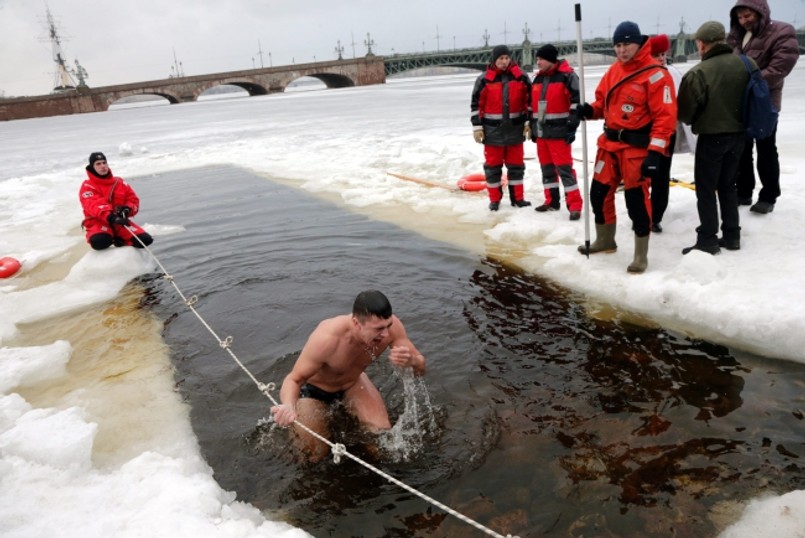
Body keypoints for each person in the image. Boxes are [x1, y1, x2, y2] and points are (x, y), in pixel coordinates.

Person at [270, 290, 426, 462]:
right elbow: (294, 379)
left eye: (388, 326)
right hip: (314, 391)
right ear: (356, 323)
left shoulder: (392, 327)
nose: (386, 334)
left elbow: (420, 370)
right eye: (379, 329)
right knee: (314, 455)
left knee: (382, 439)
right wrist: (289, 406)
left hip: (353, 383)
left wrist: (411, 361)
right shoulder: (327, 338)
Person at [577, 21, 677, 274]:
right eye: (618, 45)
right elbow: (603, 104)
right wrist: (589, 111)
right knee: (598, 194)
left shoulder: (656, 75)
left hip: (636, 149)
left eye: (627, 44)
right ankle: (606, 239)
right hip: (609, 145)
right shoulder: (613, 71)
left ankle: (640, 255)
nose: (622, 50)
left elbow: (665, 118)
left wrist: (655, 153)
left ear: (639, 43)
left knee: (636, 202)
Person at [677, 22, 751, 255]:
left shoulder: (699, 72)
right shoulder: (747, 64)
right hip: (740, 136)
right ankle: (732, 236)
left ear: (701, 43)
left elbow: (685, 113)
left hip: (712, 138)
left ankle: (707, 238)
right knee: (728, 185)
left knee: (706, 189)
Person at [727, 0, 799, 214]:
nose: (744, 21)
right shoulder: (736, 35)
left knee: (766, 148)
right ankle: (744, 190)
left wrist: (747, 83)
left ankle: (768, 195)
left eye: (748, 15)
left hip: (764, 102)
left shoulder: (782, 31)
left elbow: (780, 67)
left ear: (760, 12)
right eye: (740, 17)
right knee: (742, 148)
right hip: (740, 101)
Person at [471, 44, 532, 211]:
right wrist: (477, 127)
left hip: (515, 130)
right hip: (492, 132)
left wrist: (528, 123)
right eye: (500, 59)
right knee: (492, 168)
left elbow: (529, 102)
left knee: (516, 166)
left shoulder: (521, 77)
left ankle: (517, 199)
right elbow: (476, 105)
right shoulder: (484, 79)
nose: (504, 62)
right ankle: (494, 200)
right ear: (494, 60)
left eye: (506, 58)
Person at [647, 34, 697, 233]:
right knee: (642, 177)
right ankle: (643, 214)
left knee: (660, 176)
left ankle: (655, 216)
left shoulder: (673, 73)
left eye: (662, 54)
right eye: (656, 55)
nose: (661, 58)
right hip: (645, 134)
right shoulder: (644, 74)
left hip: (666, 134)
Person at [529, 43, 583, 221]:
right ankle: (552, 201)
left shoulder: (567, 77)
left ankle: (574, 206)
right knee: (547, 170)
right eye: (537, 59)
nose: (538, 63)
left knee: (565, 170)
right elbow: (532, 106)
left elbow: (577, 103)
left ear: (551, 59)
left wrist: (571, 126)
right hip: (542, 134)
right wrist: (532, 127)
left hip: (560, 133)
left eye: (541, 59)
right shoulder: (537, 80)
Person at [79, 152, 153, 250]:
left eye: (104, 163)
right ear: (92, 167)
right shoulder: (87, 187)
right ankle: (111, 238)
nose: (103, 166)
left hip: (119, 222)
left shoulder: (119, 182)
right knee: (100, 241)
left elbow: (133, 200)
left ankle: (120, 239)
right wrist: (111, 217)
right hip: (99, 222)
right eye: (98, 164)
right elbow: (94, 205)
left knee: (145, 240)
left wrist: (128, 209)